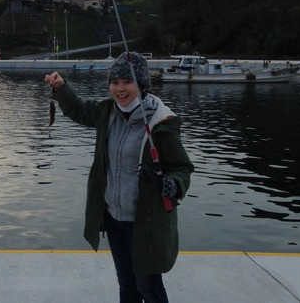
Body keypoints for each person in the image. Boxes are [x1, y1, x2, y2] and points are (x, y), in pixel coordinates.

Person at [44, 52, 194, 303]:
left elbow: (181, 168)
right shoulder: (106, 112)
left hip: (145, 222)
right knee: (127, 284)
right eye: (115, 82)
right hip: (114, 218)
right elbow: (78, 109)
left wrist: (171, 185)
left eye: (127, 82)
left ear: (142, 85)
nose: (120, 89)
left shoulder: (162, 123)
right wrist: (61, 88)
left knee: (149, 287)